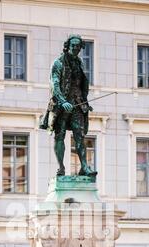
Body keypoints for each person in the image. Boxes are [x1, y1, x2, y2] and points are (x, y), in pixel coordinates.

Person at [40, 34, 97, 177]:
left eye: (78, 46)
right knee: (60, 136)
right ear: (67, 46)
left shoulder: (80, 63)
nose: (76, 48)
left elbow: (81, 84)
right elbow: (55, 84)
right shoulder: (58, 63)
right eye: (73, 46)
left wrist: (85, 101)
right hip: (61, 105)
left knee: (80, 135)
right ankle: (61, 167)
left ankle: (84, 166)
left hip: (78, 104)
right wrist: (62, 101)